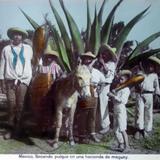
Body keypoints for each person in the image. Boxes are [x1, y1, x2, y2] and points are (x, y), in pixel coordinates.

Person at [0, 27, 33, 139]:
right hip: (10, 81)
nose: (17, 36)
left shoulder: (28, 49)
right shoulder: (6, 49)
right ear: (11, 36)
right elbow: (2, 66)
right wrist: (2, 82)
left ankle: (19, 130)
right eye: (14, 34)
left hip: (23, 81)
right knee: (11, 105)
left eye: (19, 35)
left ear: (22, 37)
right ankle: (9, 130)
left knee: (20, 106)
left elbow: (34, 62)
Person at [79, 51, 106, 142]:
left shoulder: (96, 72)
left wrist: (100, 89)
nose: (88, 60)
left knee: (92, 116)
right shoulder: (80, 70)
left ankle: (92, 134)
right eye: (86, 58)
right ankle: (82, 136)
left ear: (92, 60)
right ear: (83, 59)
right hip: (84, 95)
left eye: (90, 58)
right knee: (83, 116)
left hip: (94, 95)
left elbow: (103, 82)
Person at [134, 60, 160, 139]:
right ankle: (139, 129)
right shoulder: (140, 74)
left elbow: (157, 86)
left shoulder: (154, 75)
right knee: (139, 112)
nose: (149, 67)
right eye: (148, 65)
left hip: (149, 95)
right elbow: (135, 83)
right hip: (140, 94)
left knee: (148, 112)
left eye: (151, 66)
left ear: (154, 68)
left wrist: (157, 95)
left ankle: (147, 129)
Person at [95, 44, 117, 134]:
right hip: (98, 86)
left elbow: (108, 75)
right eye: (103, 53)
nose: (104, 55)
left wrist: (103, 63)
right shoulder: (99, 64)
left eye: (106, 54)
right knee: (97, 106)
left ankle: (106, 125)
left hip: (105, 86)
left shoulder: (111, 64)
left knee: (103, 105)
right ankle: (97, 125)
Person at [108, 70, 131, 152]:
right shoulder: (118, 87)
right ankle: (120, 144)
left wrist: (113, 96)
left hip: (121, 109)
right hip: (116, 108)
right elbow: (114, 100)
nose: (120, 81)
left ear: (126, 80)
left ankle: (127, 146)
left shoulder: (126, 89)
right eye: (120, 79)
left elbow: (123, 101)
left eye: (122, 79)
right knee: (115, 129)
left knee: (122, 128)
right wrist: (112, 95)